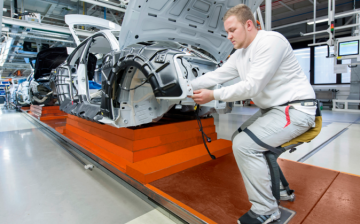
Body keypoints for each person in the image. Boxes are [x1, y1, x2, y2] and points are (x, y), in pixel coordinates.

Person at [190, 4, 316, 224]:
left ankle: (266, 210)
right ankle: (280, 190)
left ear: (249, 24)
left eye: (232, 30)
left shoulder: (270, 42)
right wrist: (184, 85)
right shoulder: (240, 55)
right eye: (226, 32)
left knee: (244, 145)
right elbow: (215, 75)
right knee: (241, 136)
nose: (228, 36)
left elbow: (252, 87)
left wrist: (214, 95)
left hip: (296, 109)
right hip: (276, 110)